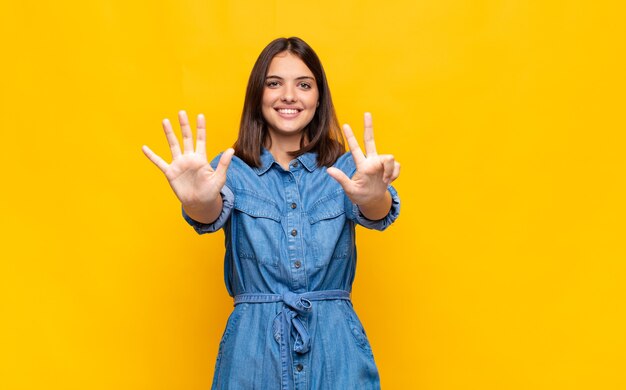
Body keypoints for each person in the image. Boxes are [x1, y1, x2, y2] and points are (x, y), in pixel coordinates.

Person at [142, 37, 400, 390]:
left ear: (319, 97)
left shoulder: (346, 166)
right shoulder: (229, 169)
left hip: (335, 348)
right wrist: (195, 200)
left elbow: (377, 210)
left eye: (304, 85)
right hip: (252, 350)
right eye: (274, 83)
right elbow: (208, 212)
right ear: (257, 95)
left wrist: (375, 194)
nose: (289, 95)